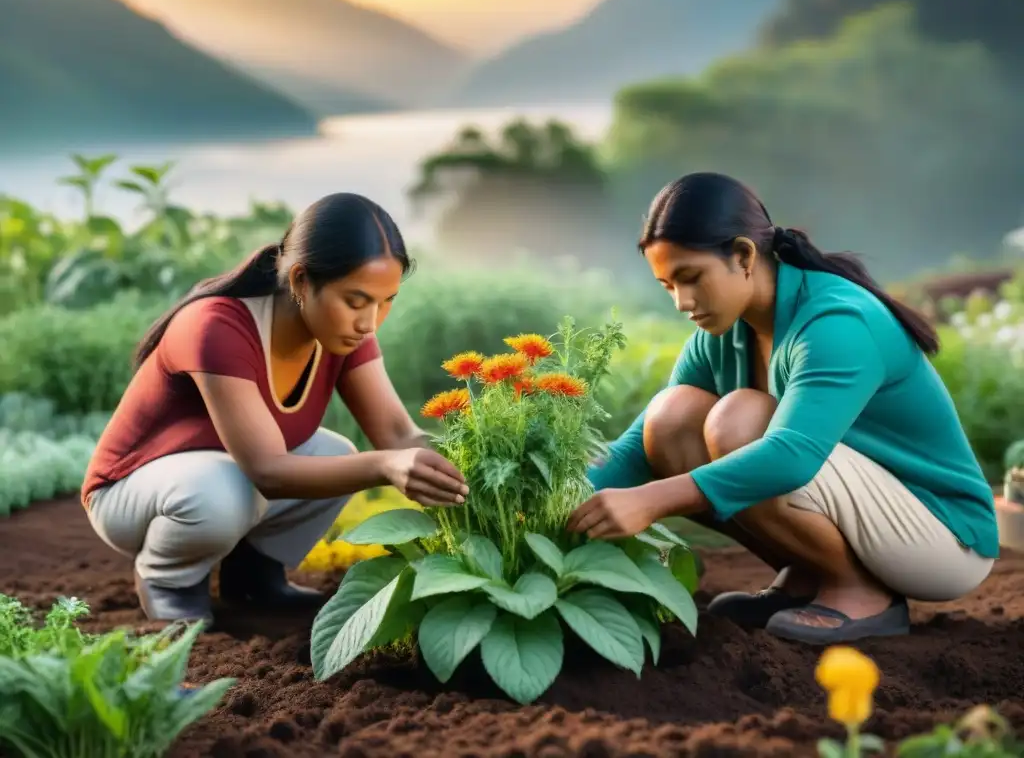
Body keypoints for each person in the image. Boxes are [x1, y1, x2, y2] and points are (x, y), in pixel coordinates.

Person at [567, 172, 999, 644]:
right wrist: (539, 504)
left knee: (740, 421)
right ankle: (808, 579)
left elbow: (793, 454)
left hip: (941, 540)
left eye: (691, 278)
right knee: (672, 416)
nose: (681, 302)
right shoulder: (723, 333)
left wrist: (652, 500)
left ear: (743, 256)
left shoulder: (837, 321)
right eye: (667, 285)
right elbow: (639, 449)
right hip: (867, 515)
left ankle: (859, 593)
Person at [81, 193, 469, 625]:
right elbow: (268, 470)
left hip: (219, 478)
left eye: (386, 301)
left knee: (336, 454)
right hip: (130, 495)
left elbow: (398, 435)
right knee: (223, 488)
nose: (370, 322)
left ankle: (253, 576)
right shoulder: (217, 326)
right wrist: (387, 465)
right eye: (356, 301)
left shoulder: (345, 332)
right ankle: (167, 580)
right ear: (302, 281)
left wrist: (506, 477)